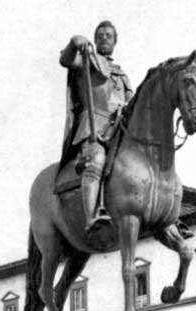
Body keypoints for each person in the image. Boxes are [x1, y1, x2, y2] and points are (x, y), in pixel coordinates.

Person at [59, 21, 133, 233]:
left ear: (115, 41)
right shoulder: (87, 60)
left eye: (109, 35)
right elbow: (65, 59)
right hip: (95, 129)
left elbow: (131, 101)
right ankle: (91, 216)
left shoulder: (120, 74)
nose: (104, 38)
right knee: (97, 161)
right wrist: (75, 41)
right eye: (100, 35)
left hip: (119, 128)